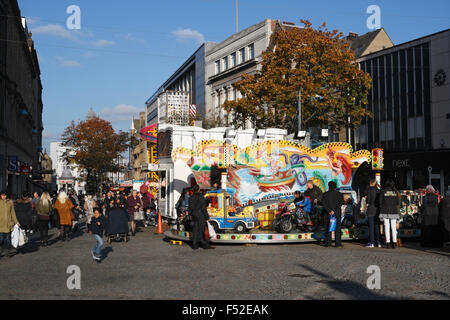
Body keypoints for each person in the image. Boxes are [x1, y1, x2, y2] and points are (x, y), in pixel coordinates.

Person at [188, 184, 214, 250]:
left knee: (195, 229)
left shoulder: (191, 197)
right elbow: (203, 207)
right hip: (200, 215)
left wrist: (191, 214)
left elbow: (190, 208)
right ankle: (204, 244)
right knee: (202, 230)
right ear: (199, 189)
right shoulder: (201, 196)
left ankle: (195, 245)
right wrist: (206, 216)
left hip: (194, 215)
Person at [322, 181, 344, 248]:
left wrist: (329, 211)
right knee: (337, 229)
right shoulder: (339, 194)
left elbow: (323, 204)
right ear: (335, 186)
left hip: (327, 214)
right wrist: (334, 211)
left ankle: (328, 243)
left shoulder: (325, 194)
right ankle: (338, 244)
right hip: (336, 214)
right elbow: (340, 203)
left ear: (328, 186)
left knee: (328, 228)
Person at [379, 179, 400, 249]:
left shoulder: (383, 191)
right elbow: (397, 202)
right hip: (393, 211)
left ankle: (387, 243)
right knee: (393, 228)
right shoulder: (395, 192)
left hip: (385, 211)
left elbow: (380, 201)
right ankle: (394, 243)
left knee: (386, 227)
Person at [0, 190, 19, 258]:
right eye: (2, 195)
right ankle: (1, 250)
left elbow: (13, 213)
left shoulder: (10, 202)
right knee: (1, 239)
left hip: (8, 224)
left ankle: (8, 252)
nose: (3, 196)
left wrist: (16, 221)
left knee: (8, 239)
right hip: (1, 224)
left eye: (4, 195)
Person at [365, 179, 382, 248]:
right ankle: (379, 242)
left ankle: (371, 242)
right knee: (377, 226)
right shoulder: (378, 191)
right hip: (377, 210)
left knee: (371, 227)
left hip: (371, 210)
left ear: (370, 183)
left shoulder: (369, 190)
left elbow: (367, 201)